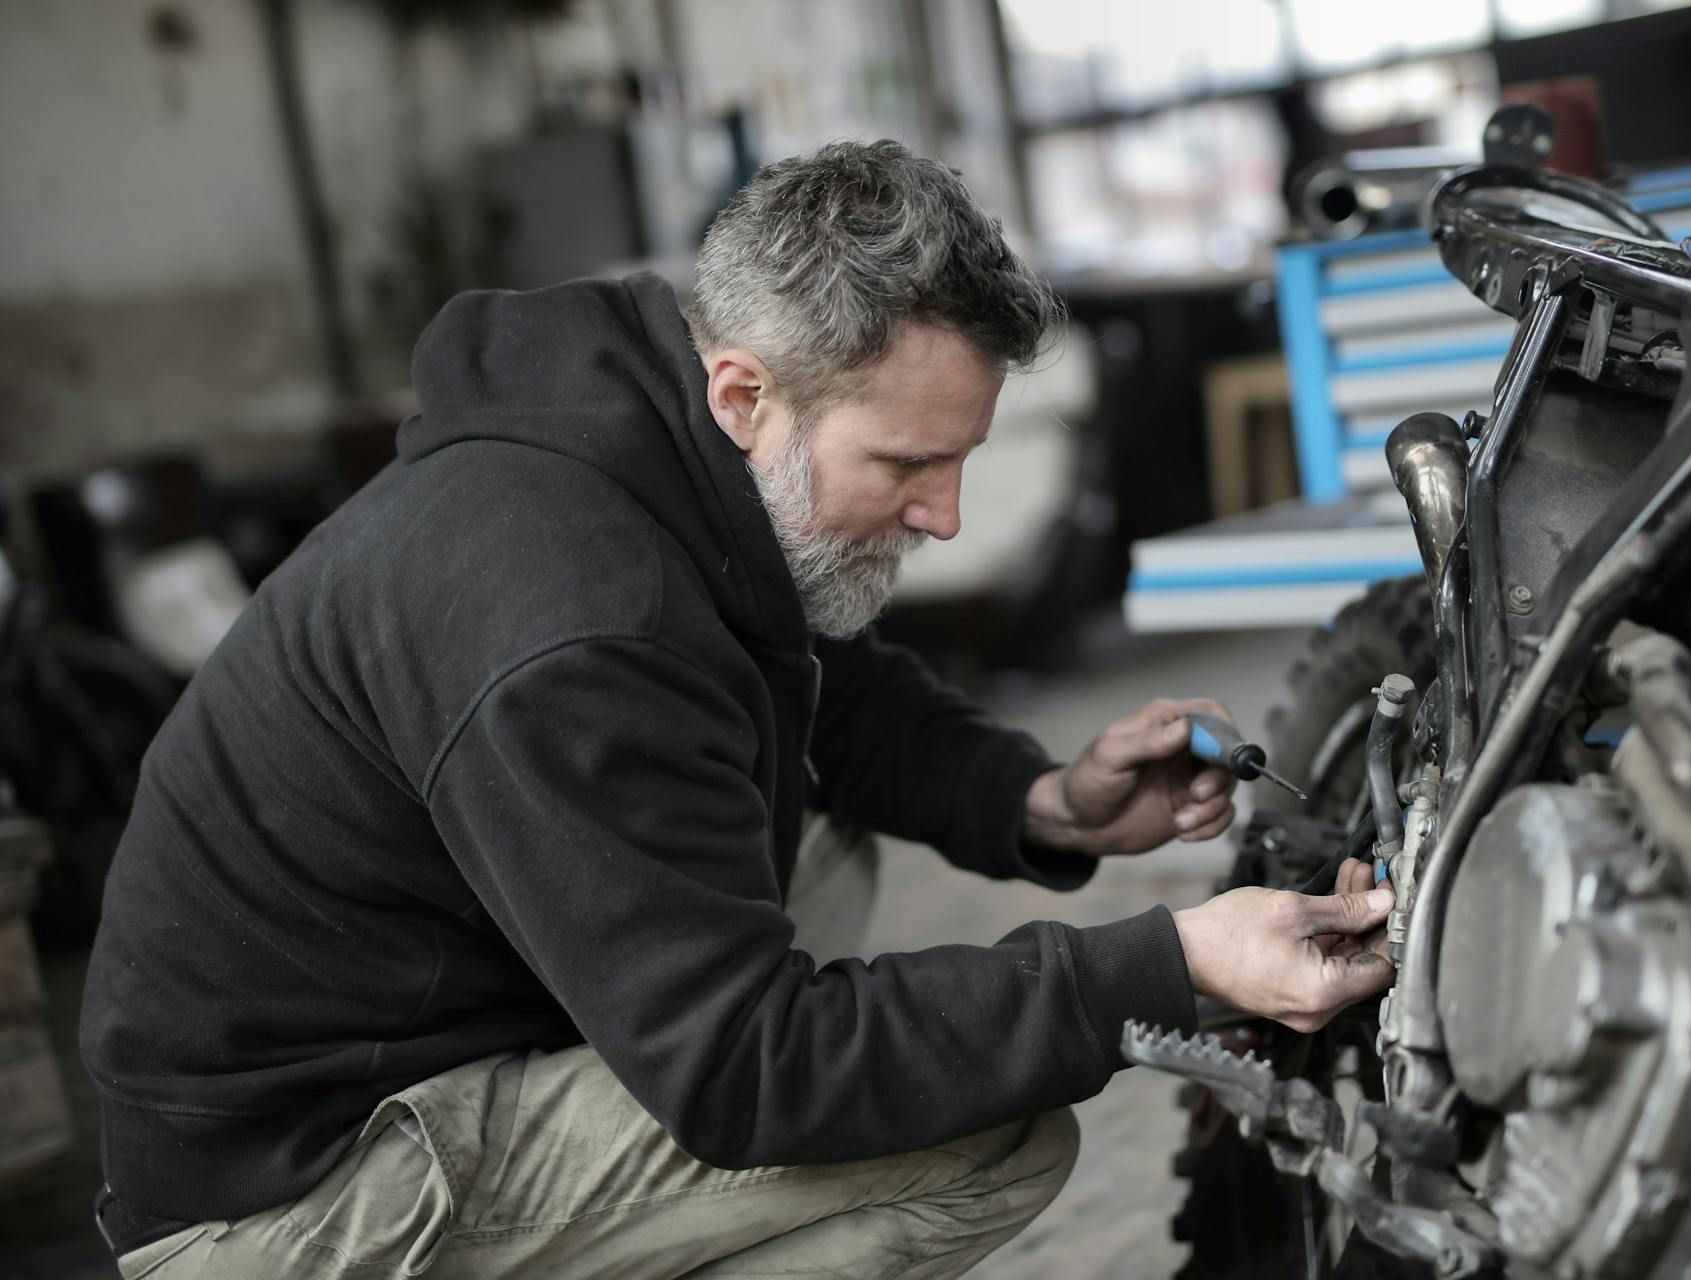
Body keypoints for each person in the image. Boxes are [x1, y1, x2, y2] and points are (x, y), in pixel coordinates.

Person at [80, 140, 1395, 1280]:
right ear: (745, 395)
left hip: (416, 1032)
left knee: (827, 835)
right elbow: (749, 1067)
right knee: (983, 1135)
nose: (943, 516)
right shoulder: (576, 619)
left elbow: (824, 691)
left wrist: (1043, 801)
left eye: (961, 461)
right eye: (909, 464)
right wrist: (1170, 965)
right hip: (297, 1192)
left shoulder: (650, 445)